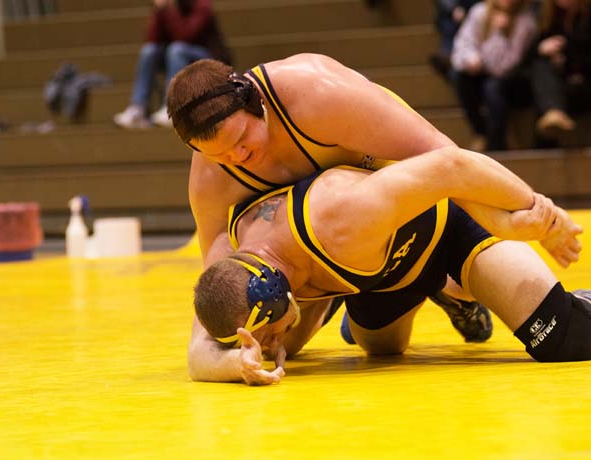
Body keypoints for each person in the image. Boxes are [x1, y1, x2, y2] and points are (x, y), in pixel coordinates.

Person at [188, 151, 591, 385]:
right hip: (379, 276)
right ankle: (445, 293)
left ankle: (590, 306)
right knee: (382, 351)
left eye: (266, 331)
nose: (270, 344)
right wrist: (237, 361)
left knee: (562, 340)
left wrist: (533, 213)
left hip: (446, 234)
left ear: (274, 295)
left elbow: (449, 167)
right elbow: (198, 354)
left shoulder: (338, 215)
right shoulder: (235, 271)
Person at [166, 53, 505, 344]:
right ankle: (349, 303)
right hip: (310, 252)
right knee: (275, 342)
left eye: (240, 138)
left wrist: (502, 217)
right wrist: (216, 355)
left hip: (385, 209)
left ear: (255, 101)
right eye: (219, 156)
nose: (236, 157)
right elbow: (220, 279)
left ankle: (445, 286)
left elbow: (442, 154)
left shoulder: (313, 90)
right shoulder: (209, 178)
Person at [114, 0, 231, 129]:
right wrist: (158, 12)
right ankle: (137, 108)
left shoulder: (201, 5)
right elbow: (152, 39)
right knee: (149, 51)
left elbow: (185, 36)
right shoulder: (167, 8)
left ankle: (170, 108)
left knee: (176, 49)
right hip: (175, 55)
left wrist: (170, 10)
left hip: (207, 56)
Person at [450, 0, 537, 150]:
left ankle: (496, 143)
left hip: (511, 79)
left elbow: (504, 66)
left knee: (493, 87)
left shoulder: (525, 22)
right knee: (458, 76)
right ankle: (481, 133)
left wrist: (499, 33)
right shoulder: (480, 11)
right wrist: (471, 58)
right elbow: (462, 46)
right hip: (480, 71)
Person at [530, 0, 591, 145]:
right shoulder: (548, 18)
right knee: (541, 66)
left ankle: (553, 114)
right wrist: (540, 49)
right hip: (561, 86)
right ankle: (554, 114)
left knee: (545, 94)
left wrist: (566, 60)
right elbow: (526, 62)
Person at [430, 0, 482, 75]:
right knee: (445, 21)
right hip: (454, 10)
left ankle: (449, 54)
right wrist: (453, 8)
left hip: (477, 6)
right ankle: (447, 54)